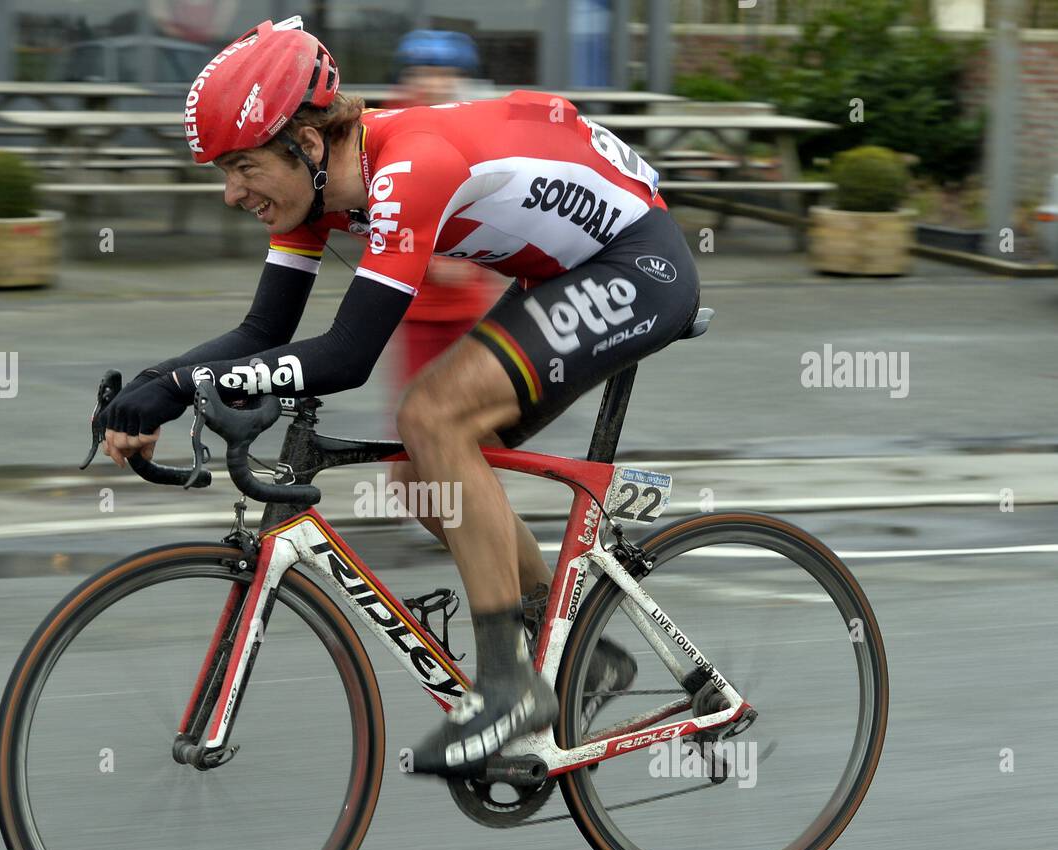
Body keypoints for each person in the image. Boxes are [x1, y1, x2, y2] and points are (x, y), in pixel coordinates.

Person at [98, 15, 701, 779]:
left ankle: (511, 688)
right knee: (424, 477)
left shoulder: (408, 169)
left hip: (637, 263)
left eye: (243, 166)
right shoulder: (318, 196)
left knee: (431, 415)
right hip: (562, 273)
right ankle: (576, 645)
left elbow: (348, 356)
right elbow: (263, 328)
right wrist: (153, 387)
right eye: (221, 171)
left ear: (306, 144)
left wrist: (190, 388)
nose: (229, 193)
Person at [384, 30, 502, 525]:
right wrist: (415, 252)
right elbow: (378, 204)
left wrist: (475, 260)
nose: (435, 82)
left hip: (467, 307)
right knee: (416, 410)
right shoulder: (397, 124)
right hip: (416, 306)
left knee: (473, 416)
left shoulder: (471, 124)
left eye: (445, 73)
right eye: (424, 72)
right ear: (409, 77)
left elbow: (495, 202)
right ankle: (430, 507)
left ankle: (474, 505)